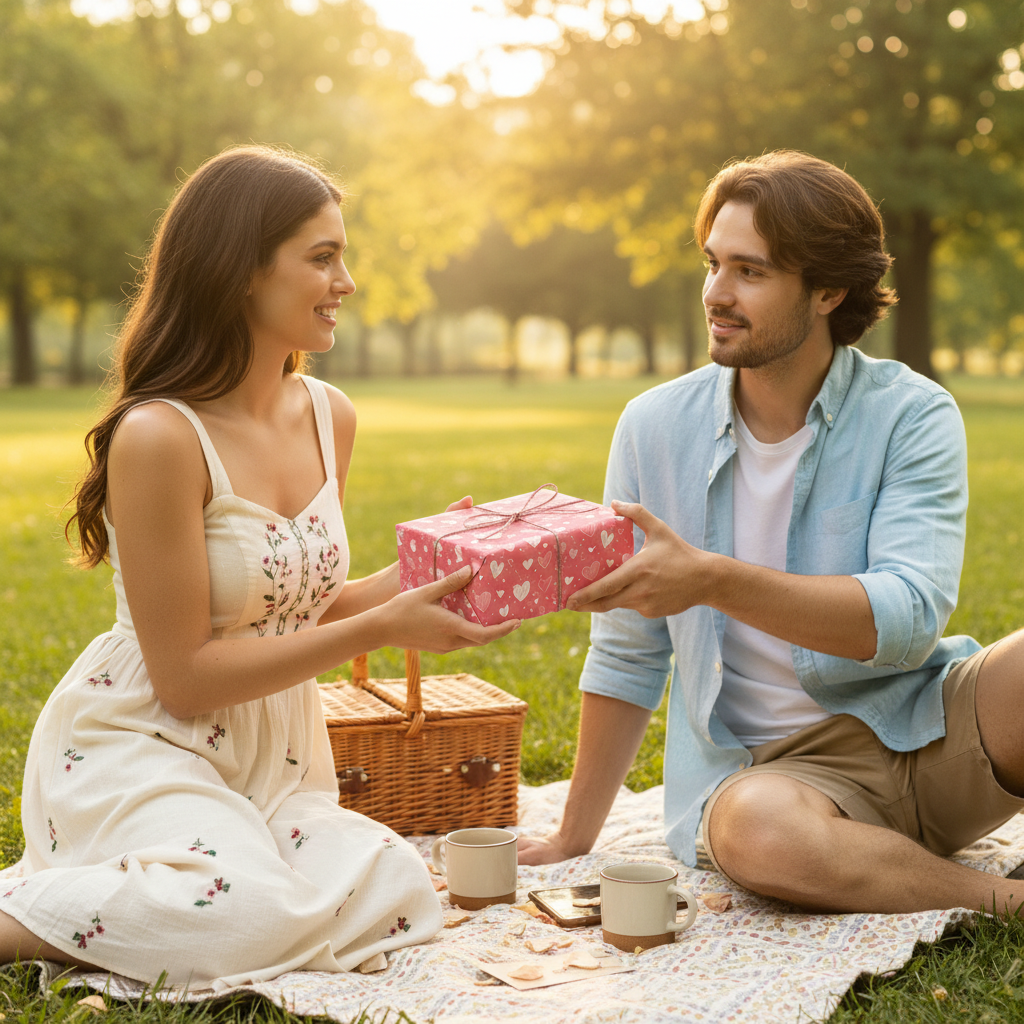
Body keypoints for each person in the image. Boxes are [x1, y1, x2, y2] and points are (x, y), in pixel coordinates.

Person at [0, 146, 519, 987]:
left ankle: (167, 907)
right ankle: (22, 922)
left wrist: (419, 576)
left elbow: (295, 607)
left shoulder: (328, 415)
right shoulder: (162, 437)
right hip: (146, 740)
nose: (345, 281)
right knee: (235, 909)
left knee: (396, 886)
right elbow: (188, 676)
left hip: (276, 758)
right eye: (322, 257)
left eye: (341, 255)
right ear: (241, 271)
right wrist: (385, 626)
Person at [518, 150, 1024, 917]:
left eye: (750, 272)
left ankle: (889, 860)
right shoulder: (654, 427)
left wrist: (715, 578)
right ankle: (998, 899)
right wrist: (570, 838)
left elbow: (910, 620)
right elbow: (627, 650)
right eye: (712, 264)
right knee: (760, 833)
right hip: (769, 782)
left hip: (919, 727)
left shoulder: (911, 414)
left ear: (828, 290)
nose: (716, 294)